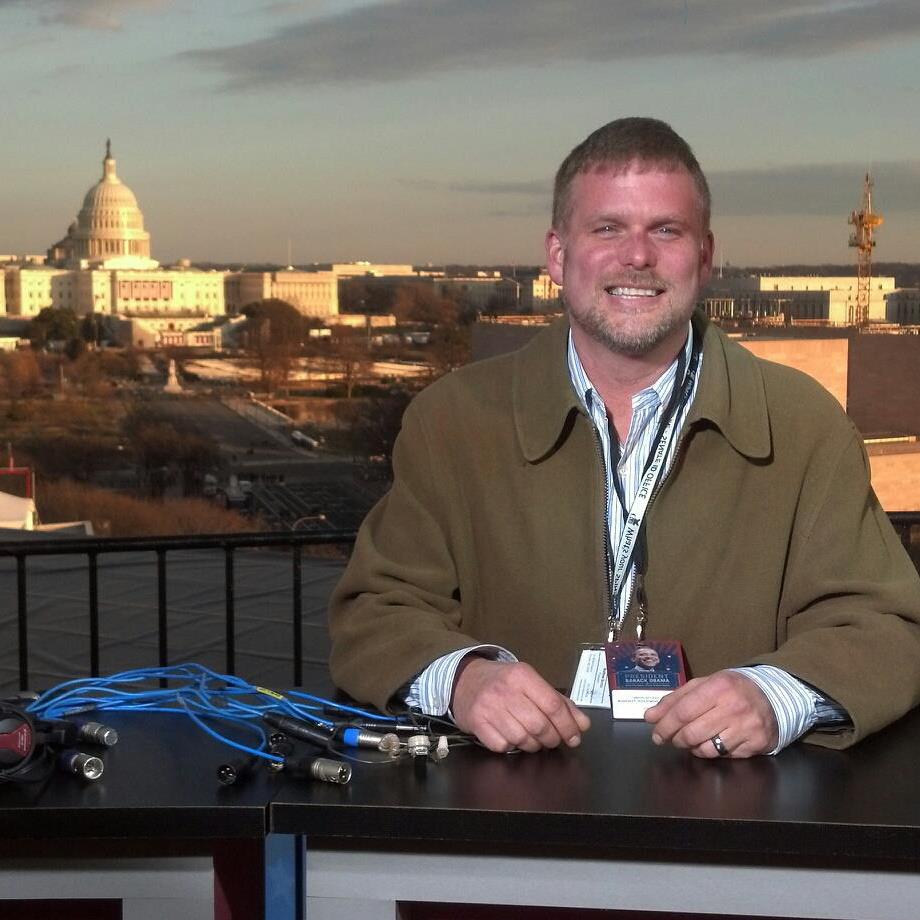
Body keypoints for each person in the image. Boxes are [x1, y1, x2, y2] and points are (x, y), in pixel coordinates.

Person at [329, 117, 920, 759]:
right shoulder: (454, 421)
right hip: (512, 820)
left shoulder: (803, 423)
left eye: (666, 230)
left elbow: (885, 625)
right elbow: (373, 613)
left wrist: (776, 696)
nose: (637, 256)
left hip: (734, 820)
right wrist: (464, 680)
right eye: (607, 228)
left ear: (705, 256)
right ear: (558, 255)